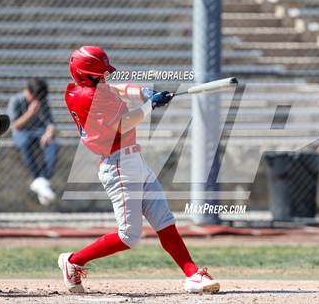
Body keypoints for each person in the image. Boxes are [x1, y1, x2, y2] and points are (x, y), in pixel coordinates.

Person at [58, 46, 220, 294]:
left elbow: (119, 88)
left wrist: (144, 92)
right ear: (84, 76)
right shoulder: (86, 97)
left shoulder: (89, 88)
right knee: (129, 237)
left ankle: (193, 275)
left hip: (134, 160)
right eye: (99, 74)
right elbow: (122, 125)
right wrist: (150, 106)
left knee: (165, 222)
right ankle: (73, 262)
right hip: (118, 166)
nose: (105, 78)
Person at [7, 78, 58, 206]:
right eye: (35, 97)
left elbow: (50, 122)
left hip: (40, 132)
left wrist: (50, 131)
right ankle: (39, 180)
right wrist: (30, 113)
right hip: (22, 132)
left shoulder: (42, 101)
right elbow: (15, 126)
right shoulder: (16, 100)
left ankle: (42, 182)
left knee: (52, 145)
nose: (37, 100)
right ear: (28, 91)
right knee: (24, 143)